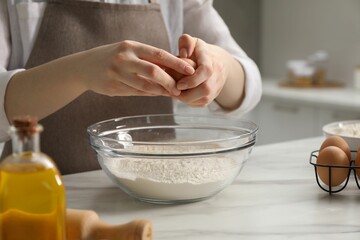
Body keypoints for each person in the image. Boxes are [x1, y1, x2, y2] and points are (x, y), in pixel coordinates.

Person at [0, 0, 262, 174]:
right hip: (42, 202)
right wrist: (80, 71)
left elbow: (248, 85)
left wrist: (220, 68)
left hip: (156, 195)